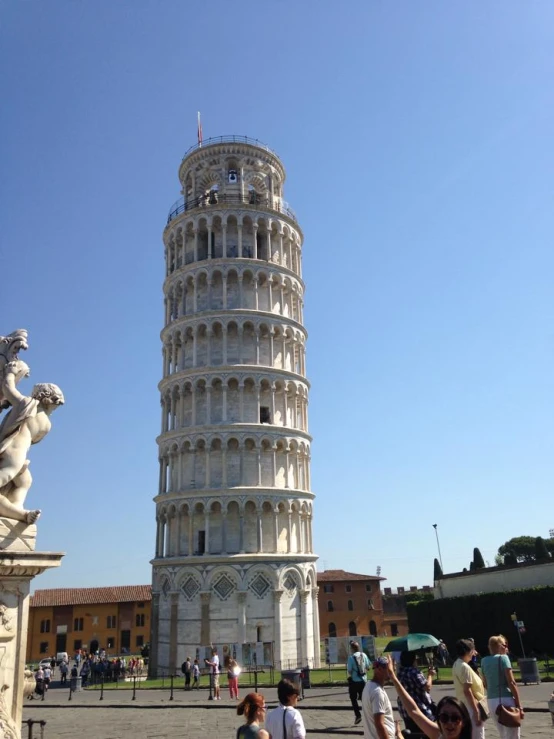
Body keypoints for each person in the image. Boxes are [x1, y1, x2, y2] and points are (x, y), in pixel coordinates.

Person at [0, 359, 64, 523]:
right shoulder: (30, 406)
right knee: (7, 476)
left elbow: (9, 389)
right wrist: (11, 372)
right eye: (56, 402)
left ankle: (17, 509)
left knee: (25, 481)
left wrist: (11, 374)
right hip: (14, 451)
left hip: (19, 454)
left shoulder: (35, 412)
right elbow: (9, 389)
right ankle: (19, 512)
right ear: (48, 399)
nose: (57, 406)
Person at [387, 655, 472, 739]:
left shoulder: (401, 672)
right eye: (444, 718)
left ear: (464, 721)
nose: (449, 723)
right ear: (438, 720)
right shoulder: (439, 735)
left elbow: (414, 711)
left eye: (455, 718)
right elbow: (413, 711)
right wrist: (393, 677)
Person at [481, 635, 523, 739]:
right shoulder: (504, 658)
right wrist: (519, 705)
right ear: (500, 646)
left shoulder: (484, 661)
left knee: (503, 734)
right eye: (505, 645)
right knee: (513, 734)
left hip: (491, 701)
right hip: (505, 699)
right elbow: (512, 682)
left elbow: (485, 683)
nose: (506, 647)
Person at [452, 639, 486, 739]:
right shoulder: (464, 667)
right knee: (477, 735)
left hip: (464, 706)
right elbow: (467, 690)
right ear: (469, 651)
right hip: (471, 707)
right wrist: (476, 712)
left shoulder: (456, 664)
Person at [361, 656, 401, 739]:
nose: (392, 671)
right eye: (389, 668)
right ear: (379, 669)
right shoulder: (377, 692)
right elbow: (379, 724)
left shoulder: (368, 685)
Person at [396, 651, 436, 733]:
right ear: (412, 660)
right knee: (426, 733)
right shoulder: (414, 672)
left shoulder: (400, 673)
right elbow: (427, 687)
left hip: (406, 710)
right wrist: (430, 675)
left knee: (412, 734)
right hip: (419, 709)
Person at [347, 640, 370, 725]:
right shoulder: (364, 655)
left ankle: (358, 715)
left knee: (353, 699)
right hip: (363, 680)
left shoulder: (351, 658)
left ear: (352, 649)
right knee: (364, 699)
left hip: (354, 681)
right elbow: (368, 667)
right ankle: (368, 716)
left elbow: (349, 671)